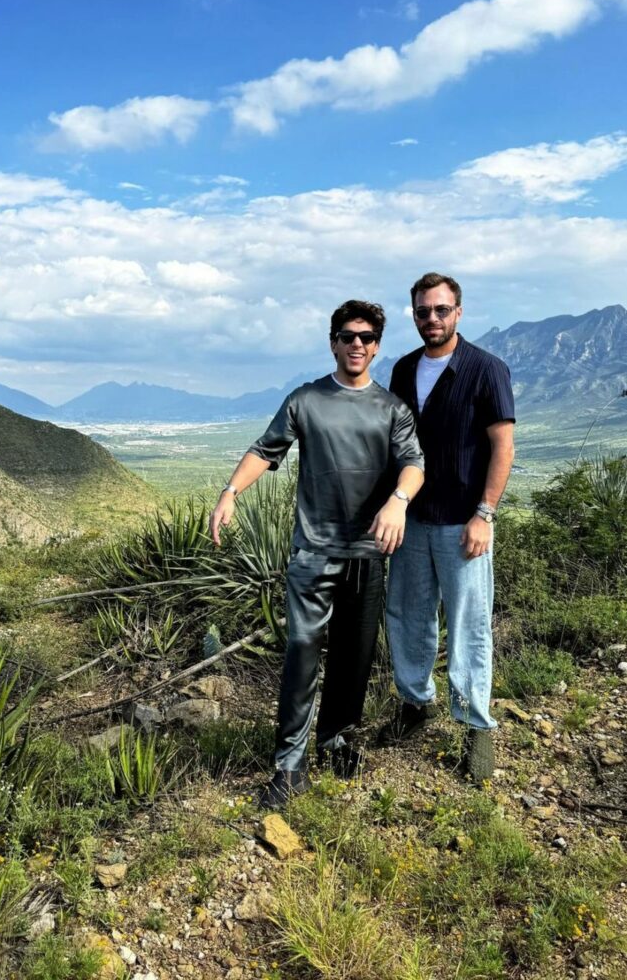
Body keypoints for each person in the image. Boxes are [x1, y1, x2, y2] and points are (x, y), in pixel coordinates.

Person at [209, 300, 424, 809]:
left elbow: (413, 464)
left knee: (355, 655)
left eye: (367, 337)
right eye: (348, 336)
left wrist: (397, 501)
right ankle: (289, 764)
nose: (357, 345)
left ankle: (335, 737)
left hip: (368, 553)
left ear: (377, 345)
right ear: (332, 342)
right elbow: (266, 450)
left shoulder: (392, 408)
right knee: (302, 655)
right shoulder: (305, 400)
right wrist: (230, 493)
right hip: (314, 554)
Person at [379, 272, 515, 782]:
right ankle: (416, 705)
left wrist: (485, 513)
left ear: (458, 312)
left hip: (463, 522)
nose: (431, 319)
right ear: (413, 315)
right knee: (408, 615)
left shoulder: (486, 370)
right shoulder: (404, 369)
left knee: (468, 625)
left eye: (440, 310)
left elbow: (503, 447)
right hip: (411, 518)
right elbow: (395, 443)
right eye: (422, 312)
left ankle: (476, 726)